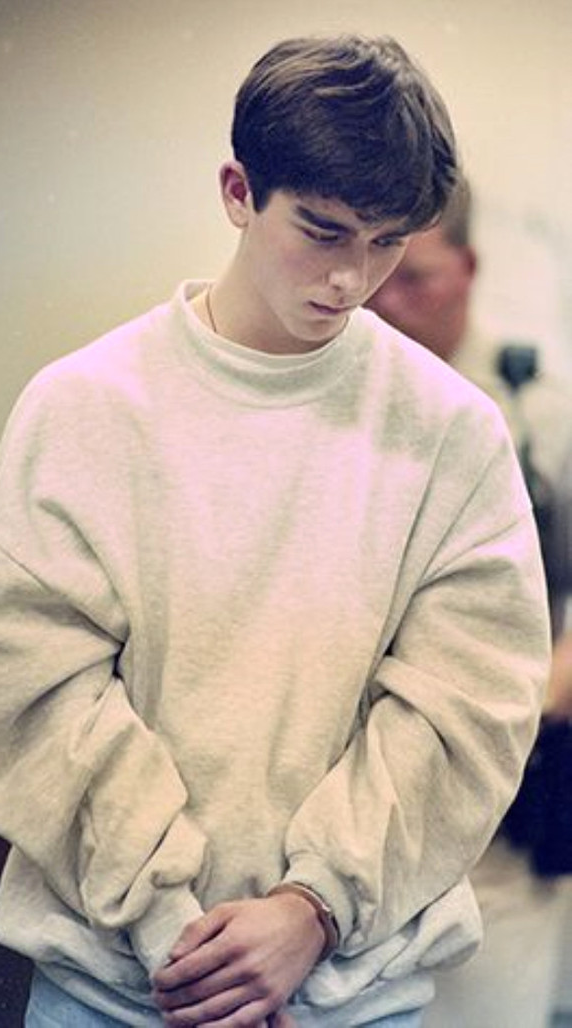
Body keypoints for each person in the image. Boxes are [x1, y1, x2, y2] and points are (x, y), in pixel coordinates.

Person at [0, 35, 550, 1028]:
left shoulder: (453, 433)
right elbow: (38, 695)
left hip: (353, 994)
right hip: (112, 988)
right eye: (323, 231)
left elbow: (466, 711)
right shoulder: (83, 408)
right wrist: (187, 945)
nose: (351, 277)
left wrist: (312, 911)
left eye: (386, 242)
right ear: (238, 192)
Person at [368, 179, 572, 1028]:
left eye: (415, 278)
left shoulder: (539, 413)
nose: (385, 302)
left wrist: (530, 698)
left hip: (499, 819)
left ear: (469, 268)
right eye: (378, 276)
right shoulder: (337, 401)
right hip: (356, 818)